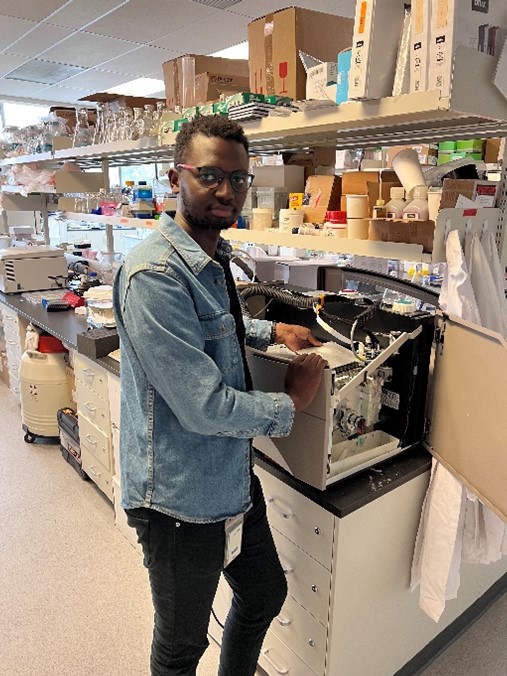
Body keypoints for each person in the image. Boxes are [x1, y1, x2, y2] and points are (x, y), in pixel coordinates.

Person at [112, 114, 327, 676]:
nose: (226, 192)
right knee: (182, 648)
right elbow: (204, 405)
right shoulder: (154, 275)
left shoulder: (211, 257)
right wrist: (294, 404)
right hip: (179, 500)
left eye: (238, 179)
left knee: (262, 596)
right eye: (210, 175)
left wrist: (269, 330)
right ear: (175, 177)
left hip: (230, 478)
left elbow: (215, 325)